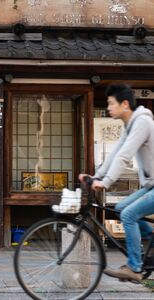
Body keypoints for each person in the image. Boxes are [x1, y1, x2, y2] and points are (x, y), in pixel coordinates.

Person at [79, 83, 154, 283]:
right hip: (151, 185)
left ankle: (135, 268)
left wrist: (106, 182)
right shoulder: (130, 124)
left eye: (112, 103)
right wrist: (96, 177)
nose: (109, 107)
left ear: (125, 104)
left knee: (129, 214)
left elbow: (125, 156)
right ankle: (150, 240)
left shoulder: (142, 122)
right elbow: (115, 154)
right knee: (121, 209)